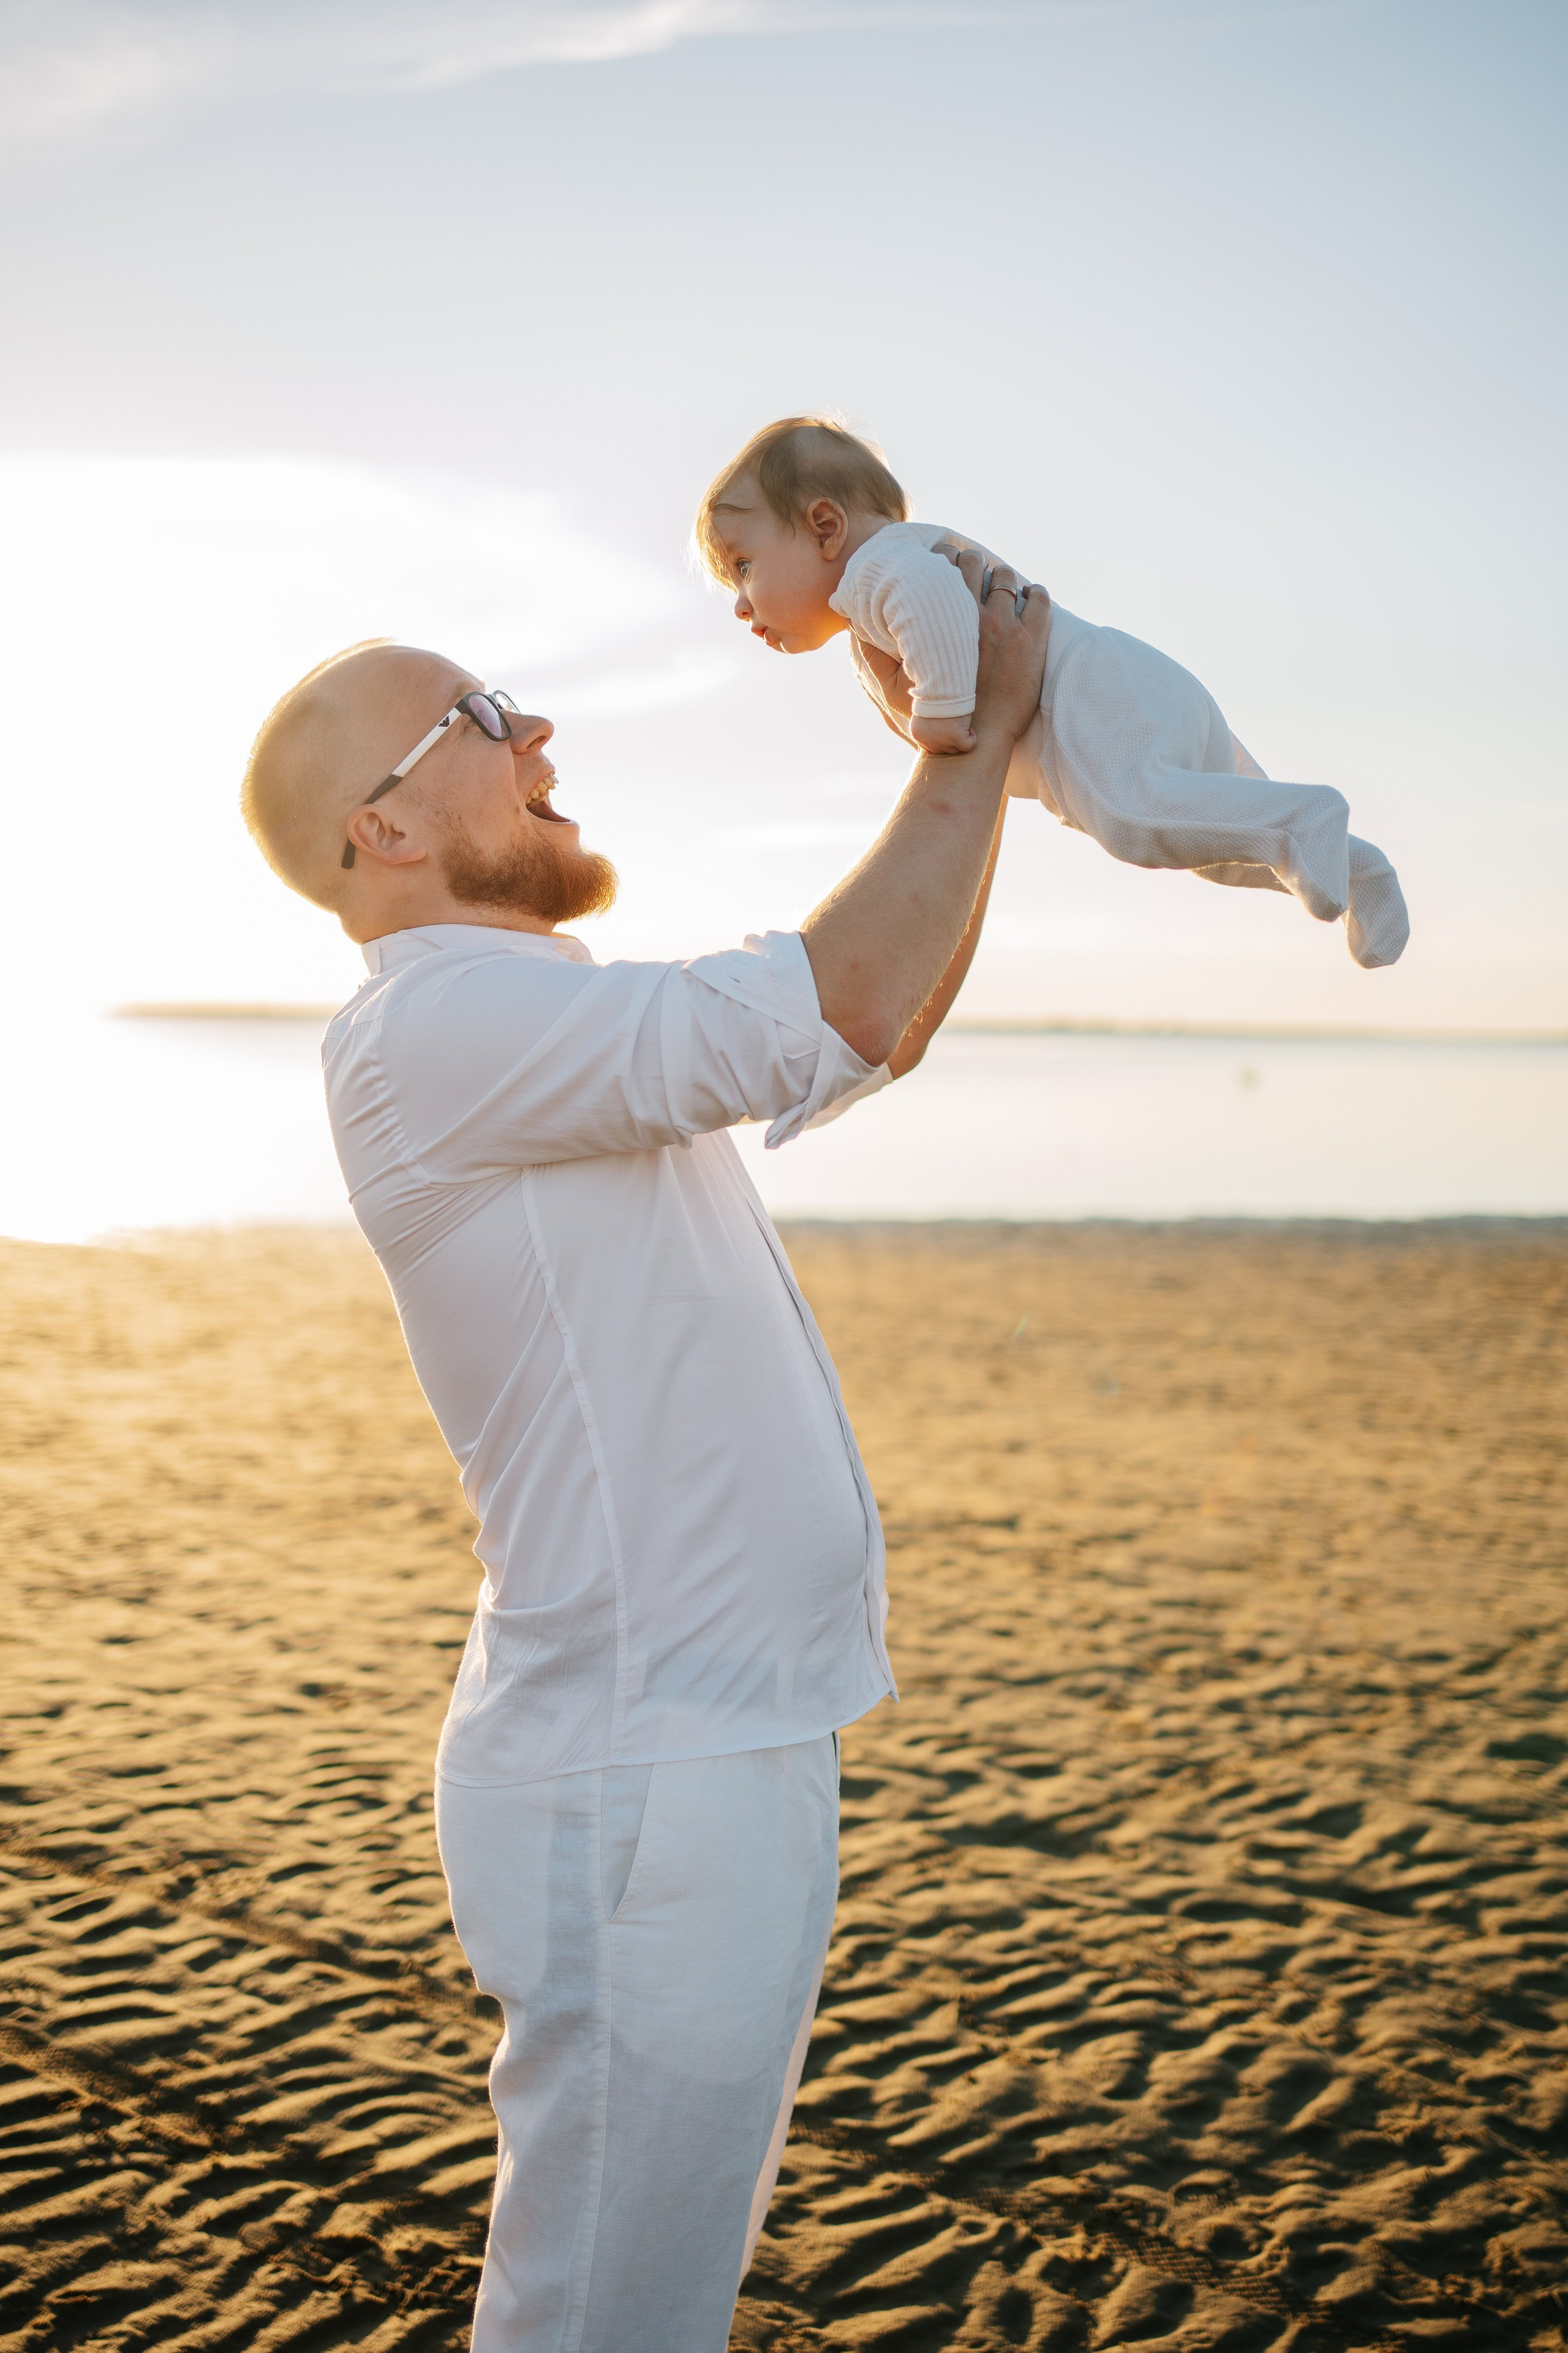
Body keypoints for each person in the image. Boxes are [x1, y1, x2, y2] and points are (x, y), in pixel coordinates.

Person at [238, 561, 1049, 2353]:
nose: (537, 729)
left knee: (636, 2303)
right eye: (481, 716)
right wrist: (967, 728)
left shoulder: (522, 1021)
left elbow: (877, 1024)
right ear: (382, 827)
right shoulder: (432, 1023)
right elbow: (834, 1001)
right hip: (642, 1770)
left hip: (705, 1743)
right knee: (606, 2317)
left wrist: (980, 759)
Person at [695, 415, 1409, 970]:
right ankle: (1352, 861)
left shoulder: (878, 570)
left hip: (1089, 699)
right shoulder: (873, 593)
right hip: (1118, 689)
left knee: (1139, 814)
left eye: (744, 565)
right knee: (1217, 842)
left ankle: (1308, 817)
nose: (740, 604)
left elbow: (933, 602)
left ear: (824, 527)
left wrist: (939, 719)